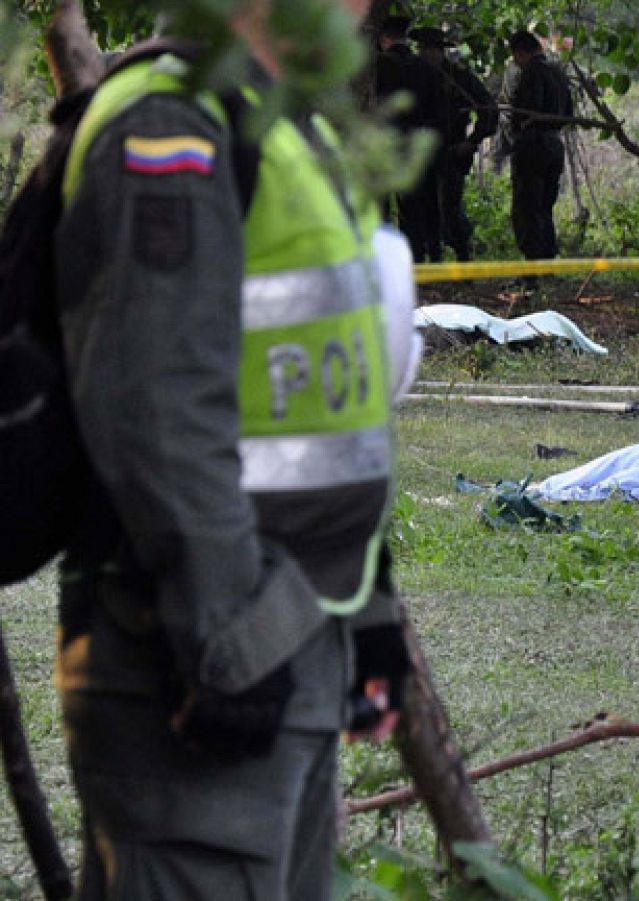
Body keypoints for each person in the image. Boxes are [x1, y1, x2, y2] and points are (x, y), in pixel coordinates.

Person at [53, 0, 412, 897]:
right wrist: (231, 639)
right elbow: (156, 409)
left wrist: (366, 619)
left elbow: (320, 414)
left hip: (298, 632)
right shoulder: (171, 123)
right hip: (198, 658)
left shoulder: (284, 126)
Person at [414, 26, 496, 262]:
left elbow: (488, 110)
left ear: (439, 51)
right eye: (422, 49)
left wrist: (471, 141)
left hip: (451, 151)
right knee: (425, 206)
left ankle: (463, 257)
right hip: (421, 153)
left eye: (430, 49)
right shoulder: (415, 75)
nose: (425, 54)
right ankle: (434, 258)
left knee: (449, 207)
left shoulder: (459, 78)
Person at [374, 14, 447, 262]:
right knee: (414, 210)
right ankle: (414, 262)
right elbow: (438, 113)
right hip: (415, 146)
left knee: (380, 207)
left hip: (384, 146)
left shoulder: (378, 66)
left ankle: (383, 263)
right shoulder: (425, 68)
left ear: (384, 39)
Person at [507, 31, 573, 274]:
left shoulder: (531, 74)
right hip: (554, 144)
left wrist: (520, 128)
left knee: (528, 205)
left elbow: (525, 112)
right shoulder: (558, 73)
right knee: (545, 204)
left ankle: (532, 267)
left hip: (532, 145)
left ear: (521, 52)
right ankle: (546, 261)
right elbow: (567, 112)